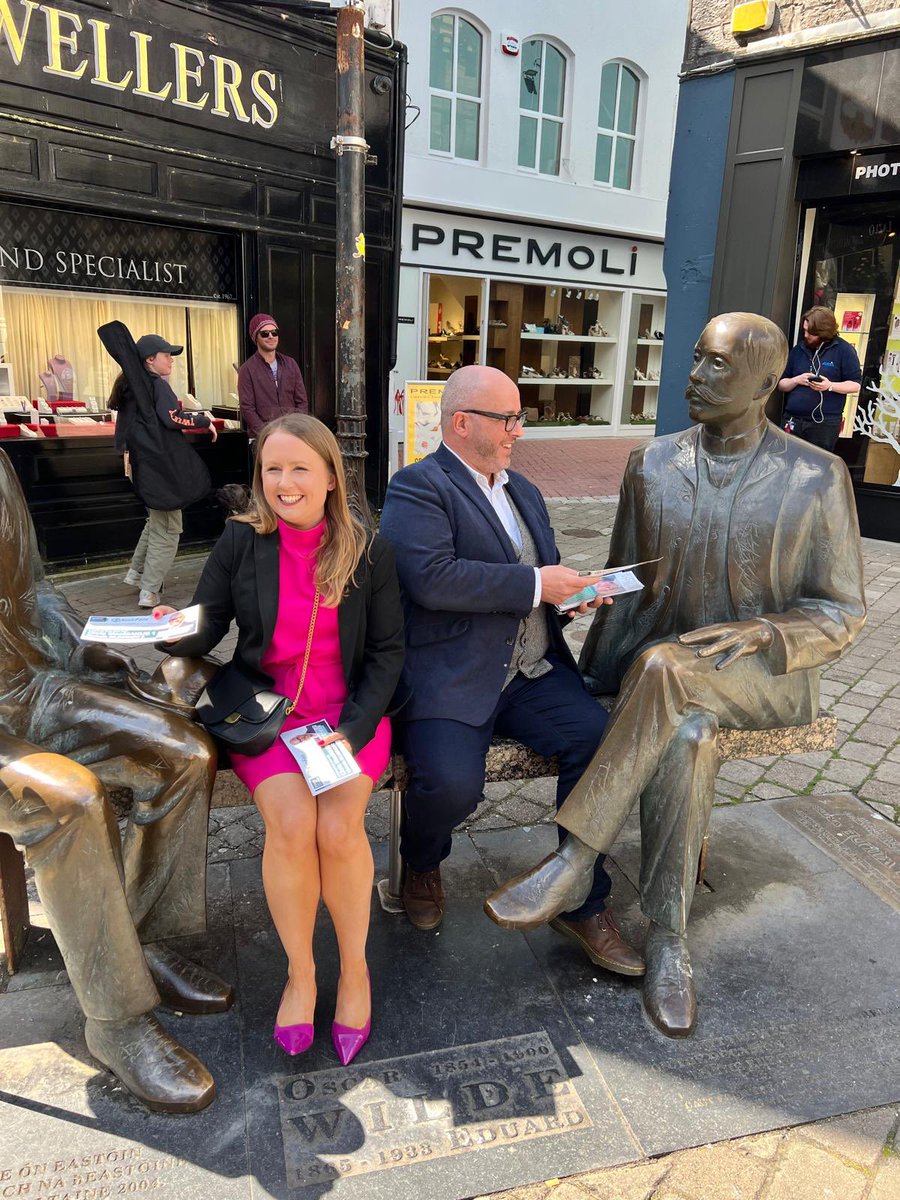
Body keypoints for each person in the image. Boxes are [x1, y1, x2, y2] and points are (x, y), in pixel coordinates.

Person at [484, 313, 866, 1038]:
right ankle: (668, 940)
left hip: (761, 675)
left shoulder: (817, 477)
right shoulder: (651, 464)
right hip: (664, 685)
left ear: (762, 382)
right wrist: (586, 637)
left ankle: (575, 859)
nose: (694, 374)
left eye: (717, 364)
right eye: (695, 358)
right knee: (686, 732)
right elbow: (634, 580)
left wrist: (768, 629)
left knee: (664, 668)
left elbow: (842, 611)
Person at [378, 365, 644, 978]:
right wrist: (535, 584)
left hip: (531, 668)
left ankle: (580, 897)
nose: (519, 431)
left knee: (596, 743)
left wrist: (572, 594)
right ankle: (421, 859)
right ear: (462, 421)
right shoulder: (418, 487)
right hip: (454, 673)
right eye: (509, 419)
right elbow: (430, 578)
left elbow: (542, 573)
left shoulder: (522, 490)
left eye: (520, 418)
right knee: (449, 786)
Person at [160, 413, 404, 1065]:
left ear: (330, 477)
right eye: (273, 469)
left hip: (349, 716)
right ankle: (303, 973)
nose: (285, 483)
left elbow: (386, 653)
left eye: (300, 468)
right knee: (293, 827)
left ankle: (354, 970)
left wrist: (350, 735)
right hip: (266, 713)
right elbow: (204, 626)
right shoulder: (241, 542)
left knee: (338, 831)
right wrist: (166, 627)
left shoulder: (369, 549)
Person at [0, 445, 231, 1113]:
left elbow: (29, 588)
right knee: (68, 801)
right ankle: (117, 1021)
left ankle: (144, 939)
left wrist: (79, 638)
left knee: (181, 751)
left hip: (29, 687)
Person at [107, 331, 217, 608]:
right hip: (160, 468)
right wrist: (204, 421)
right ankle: (150, 591)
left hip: (142, 466)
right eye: (167, 355)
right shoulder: (156, 385)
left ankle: (137, 573)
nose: (171, 360)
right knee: (168, 529)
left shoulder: (133, 386)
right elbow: (173, 419)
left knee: (156, 521)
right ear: (150, 359)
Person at [777, 305, 861, 451]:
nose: (806, 335)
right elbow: (781, 384)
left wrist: (829, 386)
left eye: (811, 333)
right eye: (804, 330)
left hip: (824, 423)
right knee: (785, 462)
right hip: (793, 419)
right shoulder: (798, 350)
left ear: (824, 333)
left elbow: (855, 385)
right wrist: (796, 380)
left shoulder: (844, 350)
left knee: (816, 468)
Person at [237, 313, 309, 439]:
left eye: (274, 332)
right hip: (263, 438)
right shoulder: (247, 370)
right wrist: (267, 434)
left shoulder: (290, 364)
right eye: (265, 333)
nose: (271, 336)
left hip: (292, 434)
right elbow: (247, 408)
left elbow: (301, 401)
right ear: (256, 338)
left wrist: (298, 429)